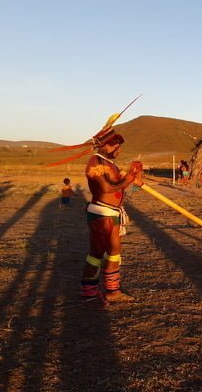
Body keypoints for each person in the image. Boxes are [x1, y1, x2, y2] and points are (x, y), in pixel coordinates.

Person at [80, 131, 143, 308]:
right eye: (117, 146)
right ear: (106, 145)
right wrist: (129, 178)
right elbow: (106, 188)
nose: (119, 149)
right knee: (96, 254)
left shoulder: (110, 164)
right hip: (101, 213)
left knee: (114, 253)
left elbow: (127, 189)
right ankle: (89, 293)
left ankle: (113, 291)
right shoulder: (95, 162)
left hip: (114, 213)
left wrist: (136, 173)